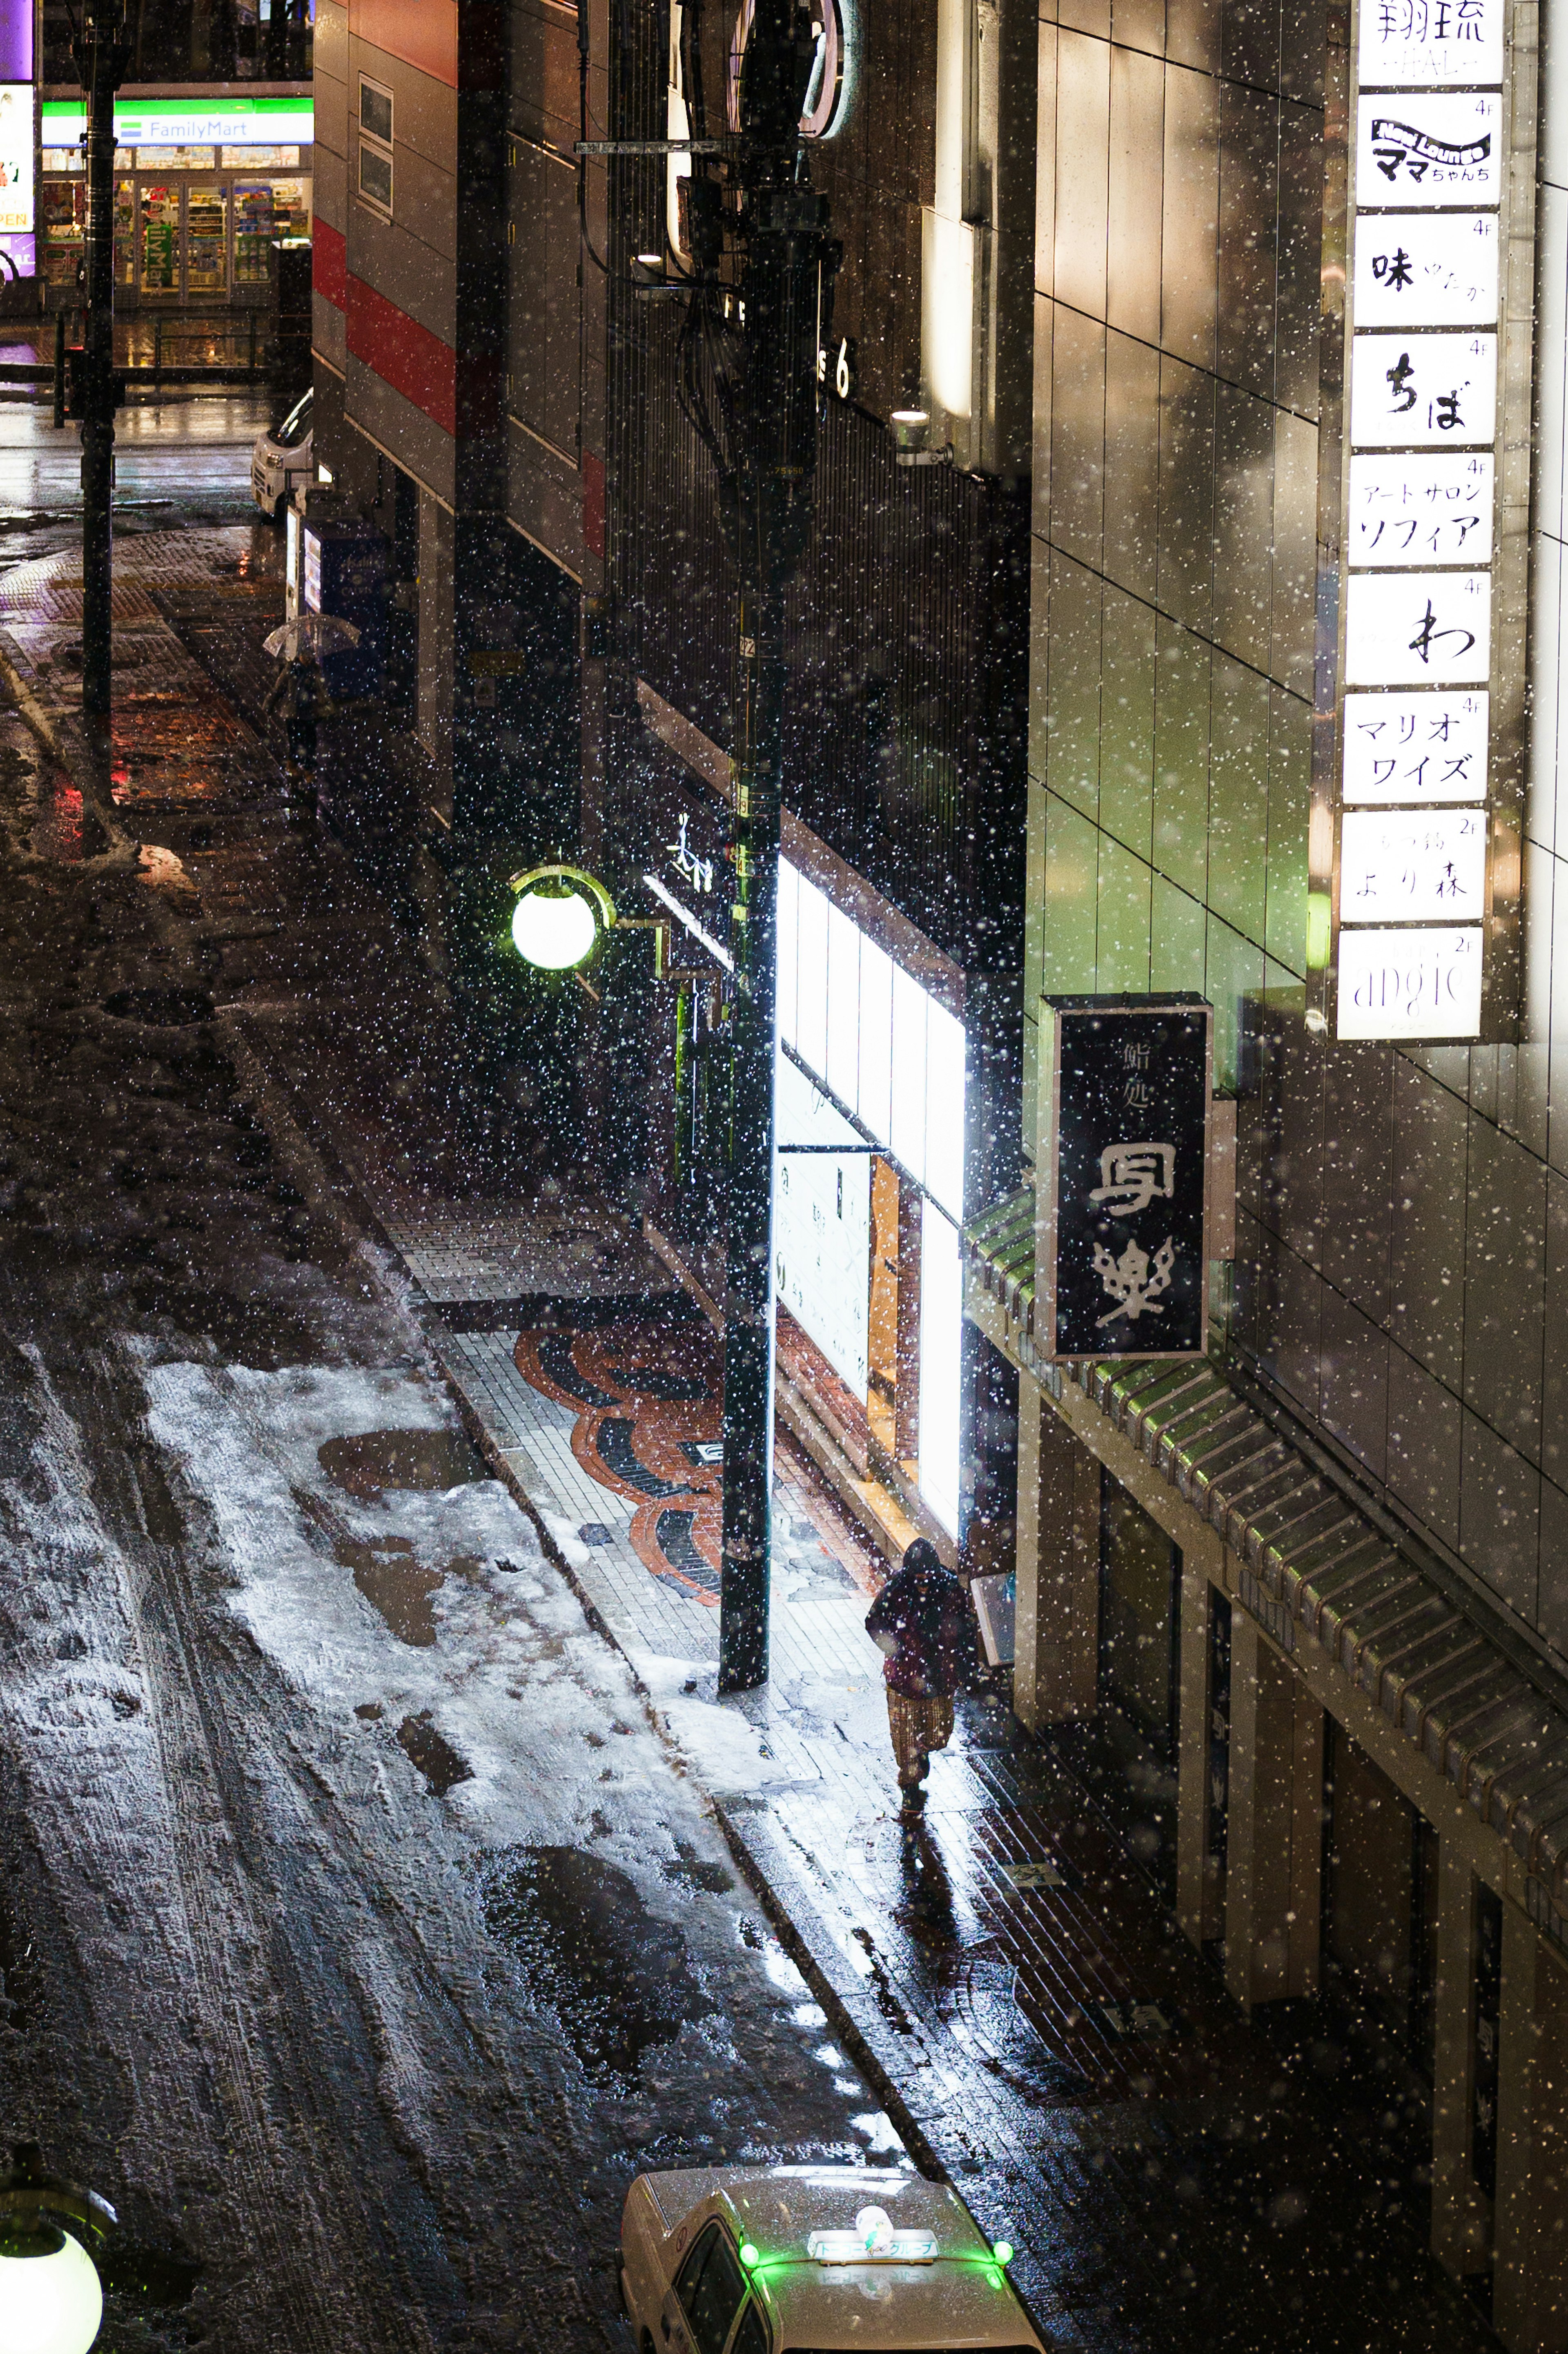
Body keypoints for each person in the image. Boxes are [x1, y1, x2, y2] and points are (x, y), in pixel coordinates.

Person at [865, 1538, 973, 1815]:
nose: (923, 1582)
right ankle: (910, 1789)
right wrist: (896, 1650)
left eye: (928, 1577)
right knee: (904, 1742)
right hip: (903, 1679)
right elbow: (874, 1621)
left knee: (940, 1735)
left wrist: (961, 1663)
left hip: (938, 1679)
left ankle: (922, 1754)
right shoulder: (896, 1591)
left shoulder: (950, 1591)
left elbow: (966, 1630)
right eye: (919, 1577)